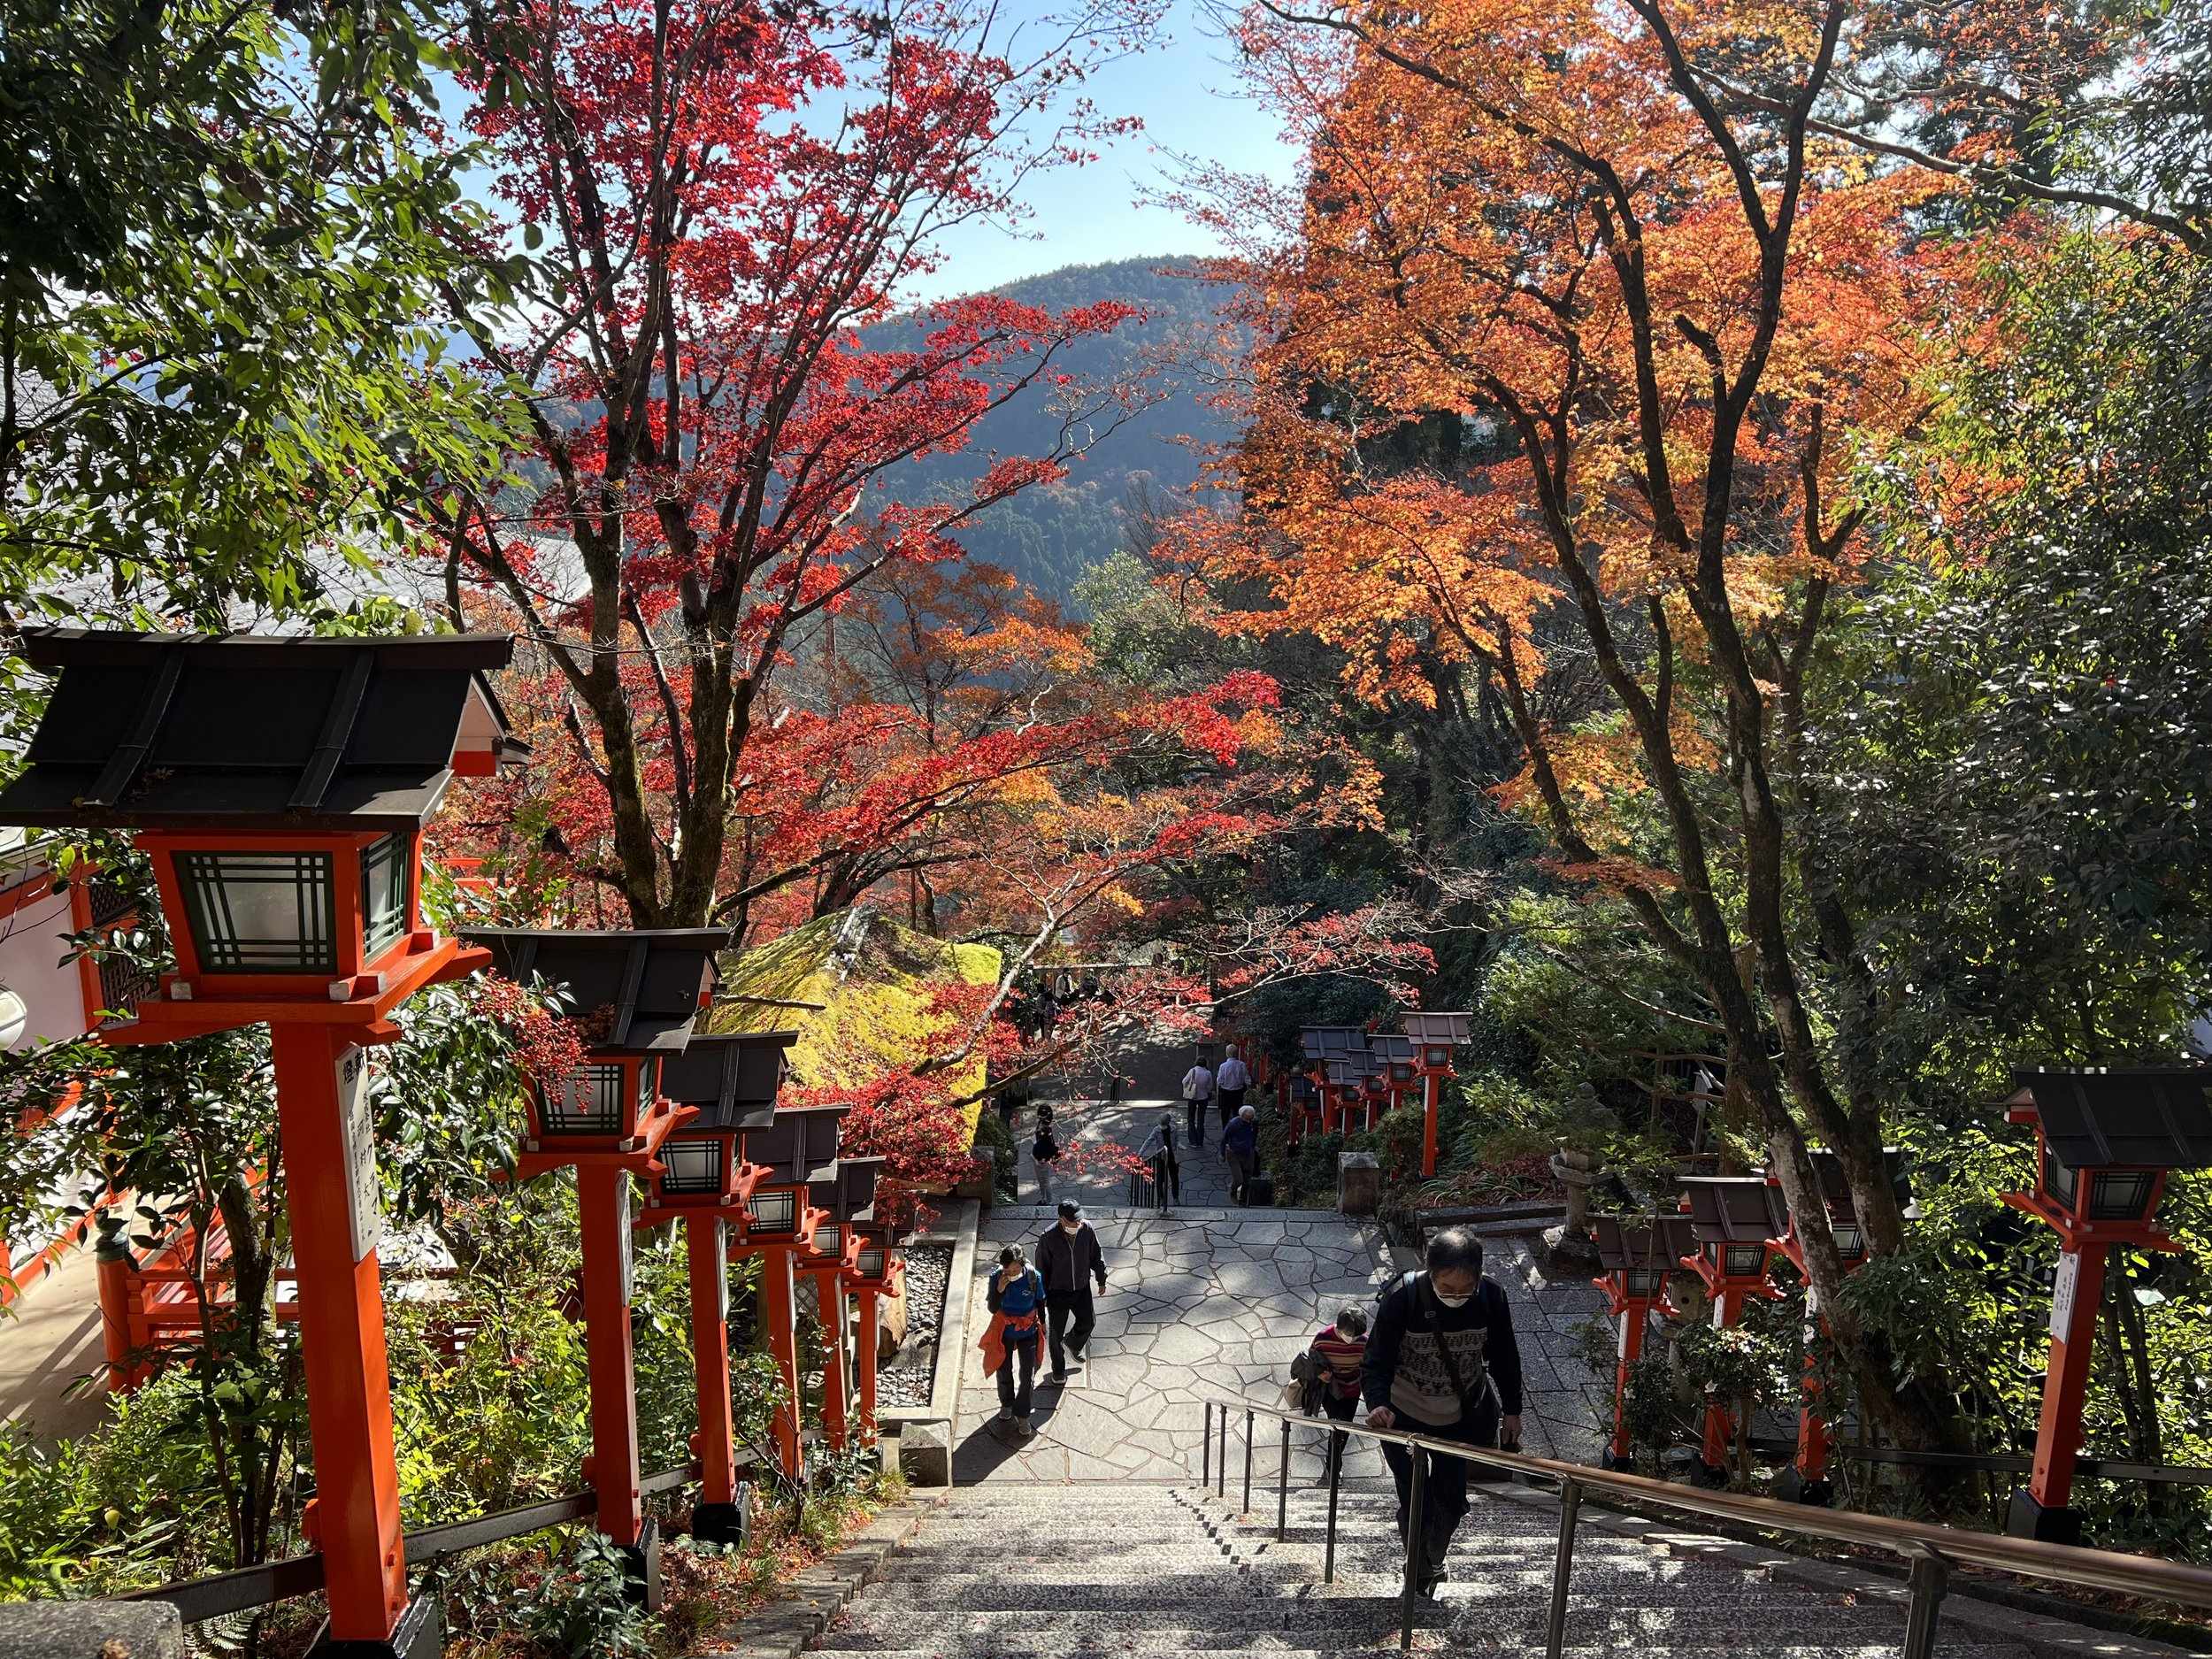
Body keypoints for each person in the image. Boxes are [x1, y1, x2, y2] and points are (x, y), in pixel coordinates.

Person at [1363, 1227, 1525, 1598]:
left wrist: (1513, 1409)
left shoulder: (1491, 1298)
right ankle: (1417, 1568)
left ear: (1479, 1276)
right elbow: (1376, 1359)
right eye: (1447, 1288)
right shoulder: (1403, 1298)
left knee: (1451, 1500)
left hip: (1459, 1414)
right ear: (1429, 1272)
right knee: (1414, 1497)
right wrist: (1378, 1404)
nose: (1456, 1297)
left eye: (1464, 1289)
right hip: (1403, 1414)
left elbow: (1504, 1356)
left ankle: (1432, 1559)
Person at [1036, 1199, 1108, 1381]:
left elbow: (1096, 1255)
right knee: (1055, 1336)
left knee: (1088, 1322)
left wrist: (1101, 1279)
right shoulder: (1047, 1237)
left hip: (1081, 1287)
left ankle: (1074, 1342)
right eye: (1073, 1221)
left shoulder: (1087, 1229)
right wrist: (1041, 1301)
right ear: (1062, 1220)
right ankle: (1058, 1371)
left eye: (1079, 1219)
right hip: (1057, 1292)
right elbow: (1041, 1271)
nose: (1078, 1223)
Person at [983, 1244, 1047, 1437]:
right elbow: (993, 1308)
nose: (1012, 1273)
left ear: (1022, 1264)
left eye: (1015, 1269)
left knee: (1028, 1374)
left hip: (1028, 1329)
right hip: (1005, 1329)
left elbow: (1040, 1302)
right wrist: (1000, 1289)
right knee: (1003, 1370)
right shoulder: (996, 1277)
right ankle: (1007, 1403)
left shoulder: (1033, 1277)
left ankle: (1023, 1414)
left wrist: (1043, 1325)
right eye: (1008, 1270)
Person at [1307, 1303, 1371, 1480]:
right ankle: (1333, 1469)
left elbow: (1369, 1365)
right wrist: (1321, 1374)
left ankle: (1332, 1468)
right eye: (1349, 1334)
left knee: (1345, 1428)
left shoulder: (1364, 1342)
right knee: (1338, 1427)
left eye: (1356, 1335)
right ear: (1339, 1327)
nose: (1352, 1338)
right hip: (1331, 1390)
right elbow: (1311, 1360)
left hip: (1352, 1391)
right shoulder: (1323, 1338)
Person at [1137, 1111, 1179, 1212]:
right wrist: (1140, 1153)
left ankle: (1175, 1197)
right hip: (1160, 1156)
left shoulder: (1173, 1129)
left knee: (1174, 1177)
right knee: (1160, 1179)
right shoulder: (1156, 1130)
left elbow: (1176, 1139)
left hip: (1171, 1156)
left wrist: (1178, 1146)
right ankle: (1161, 1198)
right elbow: (1149, 1141)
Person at [1223, 1102, 1260, 1205]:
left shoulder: (1254, 1123)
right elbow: (1225, 1137)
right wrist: (1223, 1153)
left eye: (1250, 1118)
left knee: (1247, 1180)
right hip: (1234, 1153)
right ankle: (1233, 1191)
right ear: (1241, 1116)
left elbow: (1254, 1136)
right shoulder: (1233, 1124)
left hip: (1248, 1153)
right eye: (1246, 1118)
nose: (1248, 1120)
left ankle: (1243, 1201)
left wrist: (1253, 1147)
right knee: (1239, 1179)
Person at [1180, 1052, 1214, 1148]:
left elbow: (1184, 1081)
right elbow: (1210, 1087)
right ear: (1205, 1063)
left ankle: (1193, 1141)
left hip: (1193, 1097)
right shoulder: (1208, 1073)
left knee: (1191, 1119)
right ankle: (1200, 1141)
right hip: (1204, 1098)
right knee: (1201, 1120)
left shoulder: (1193, 1071)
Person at [1216, 1044, 1252, 1132]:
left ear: (1227, 1053)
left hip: (1225, 1093)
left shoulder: (1223, 1066)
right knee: (1237, 1114)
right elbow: (1247, 1080)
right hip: (1238, 1093)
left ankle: (1226, 1133)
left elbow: (1220, 1081)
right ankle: (1236, 1133)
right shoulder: (1242, 1065)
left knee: (1225, 1115)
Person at [1033, 1102, 1060, 1204]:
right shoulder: (1044, 1127)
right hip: (1039, 1158)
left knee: (1045, 1181)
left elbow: (1049, 1146)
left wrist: (1042, 1159)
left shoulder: (1045, 1131)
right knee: (1042, 1181)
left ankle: (1048, 1201)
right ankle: (1044, 1199)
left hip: (1041, 1160)